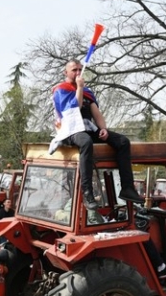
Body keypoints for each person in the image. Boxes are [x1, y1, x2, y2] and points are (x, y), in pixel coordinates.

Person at [51, 59, 145, 210]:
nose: (77, 73)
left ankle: (127, 188)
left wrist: (103, 129)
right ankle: (87, 193)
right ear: (66, 72)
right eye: (74, 70)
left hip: (87, 128)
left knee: (122, 141)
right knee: (86, 141)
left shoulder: (87, 91)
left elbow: (96, 113)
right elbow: (76, 107)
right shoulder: (61, 90)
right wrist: (80, 88)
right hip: (70, 130)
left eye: (80, 70)